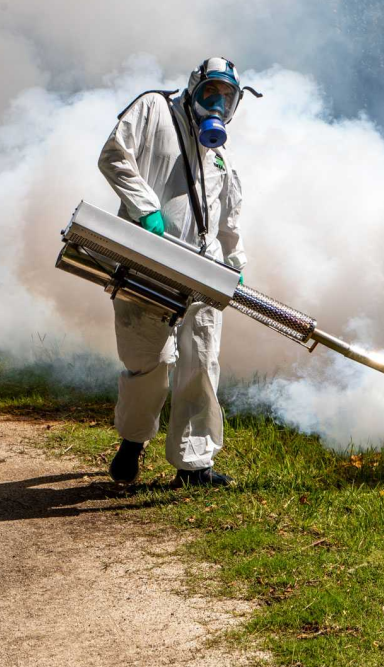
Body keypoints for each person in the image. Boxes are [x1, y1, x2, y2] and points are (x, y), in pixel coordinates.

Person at [97, 57, 251, 487]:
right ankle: (133, 440)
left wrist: (235, 264)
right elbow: (114, 155)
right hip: (146, 258)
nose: (217, 104)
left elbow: (228, 216)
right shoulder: (153, 110)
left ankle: (194, 465)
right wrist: (145, 208)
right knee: (149, 362)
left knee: (201, 364)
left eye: (228, 97)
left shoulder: (221, 153)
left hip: (202, 271)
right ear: (193, 87)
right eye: (211, 93)